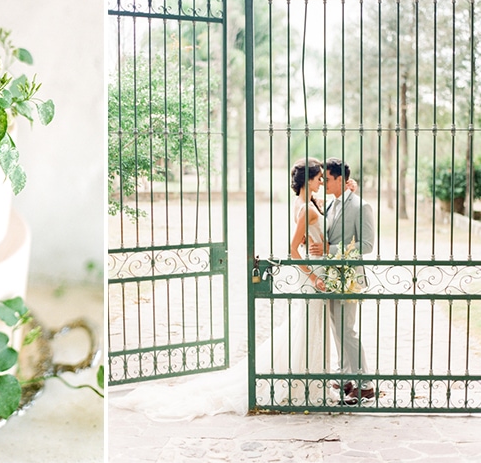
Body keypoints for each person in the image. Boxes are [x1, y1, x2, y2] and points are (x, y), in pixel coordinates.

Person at [110, 158, 333, 419]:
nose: (322, 182)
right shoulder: (306, 208)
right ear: (308, 180)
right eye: (319, 178)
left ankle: (311, 381)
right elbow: (294, 250)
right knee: (306, 327)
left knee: (307, 327)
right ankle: (304, 383)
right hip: (313, 276)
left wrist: (324, 249)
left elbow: (313, 239)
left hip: (318, 270)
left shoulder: (307, 204)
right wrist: (314, 277)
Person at [310, 157, 375, 405]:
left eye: (327, 179)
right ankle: (347, 376)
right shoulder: (331, 203)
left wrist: (331, 249)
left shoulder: (361, 207)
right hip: (331, 277)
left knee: (347, 330)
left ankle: (365, 385)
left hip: (350, 278)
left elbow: (367, 246)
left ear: (341, 179)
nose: (324, 183)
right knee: (338, 329)